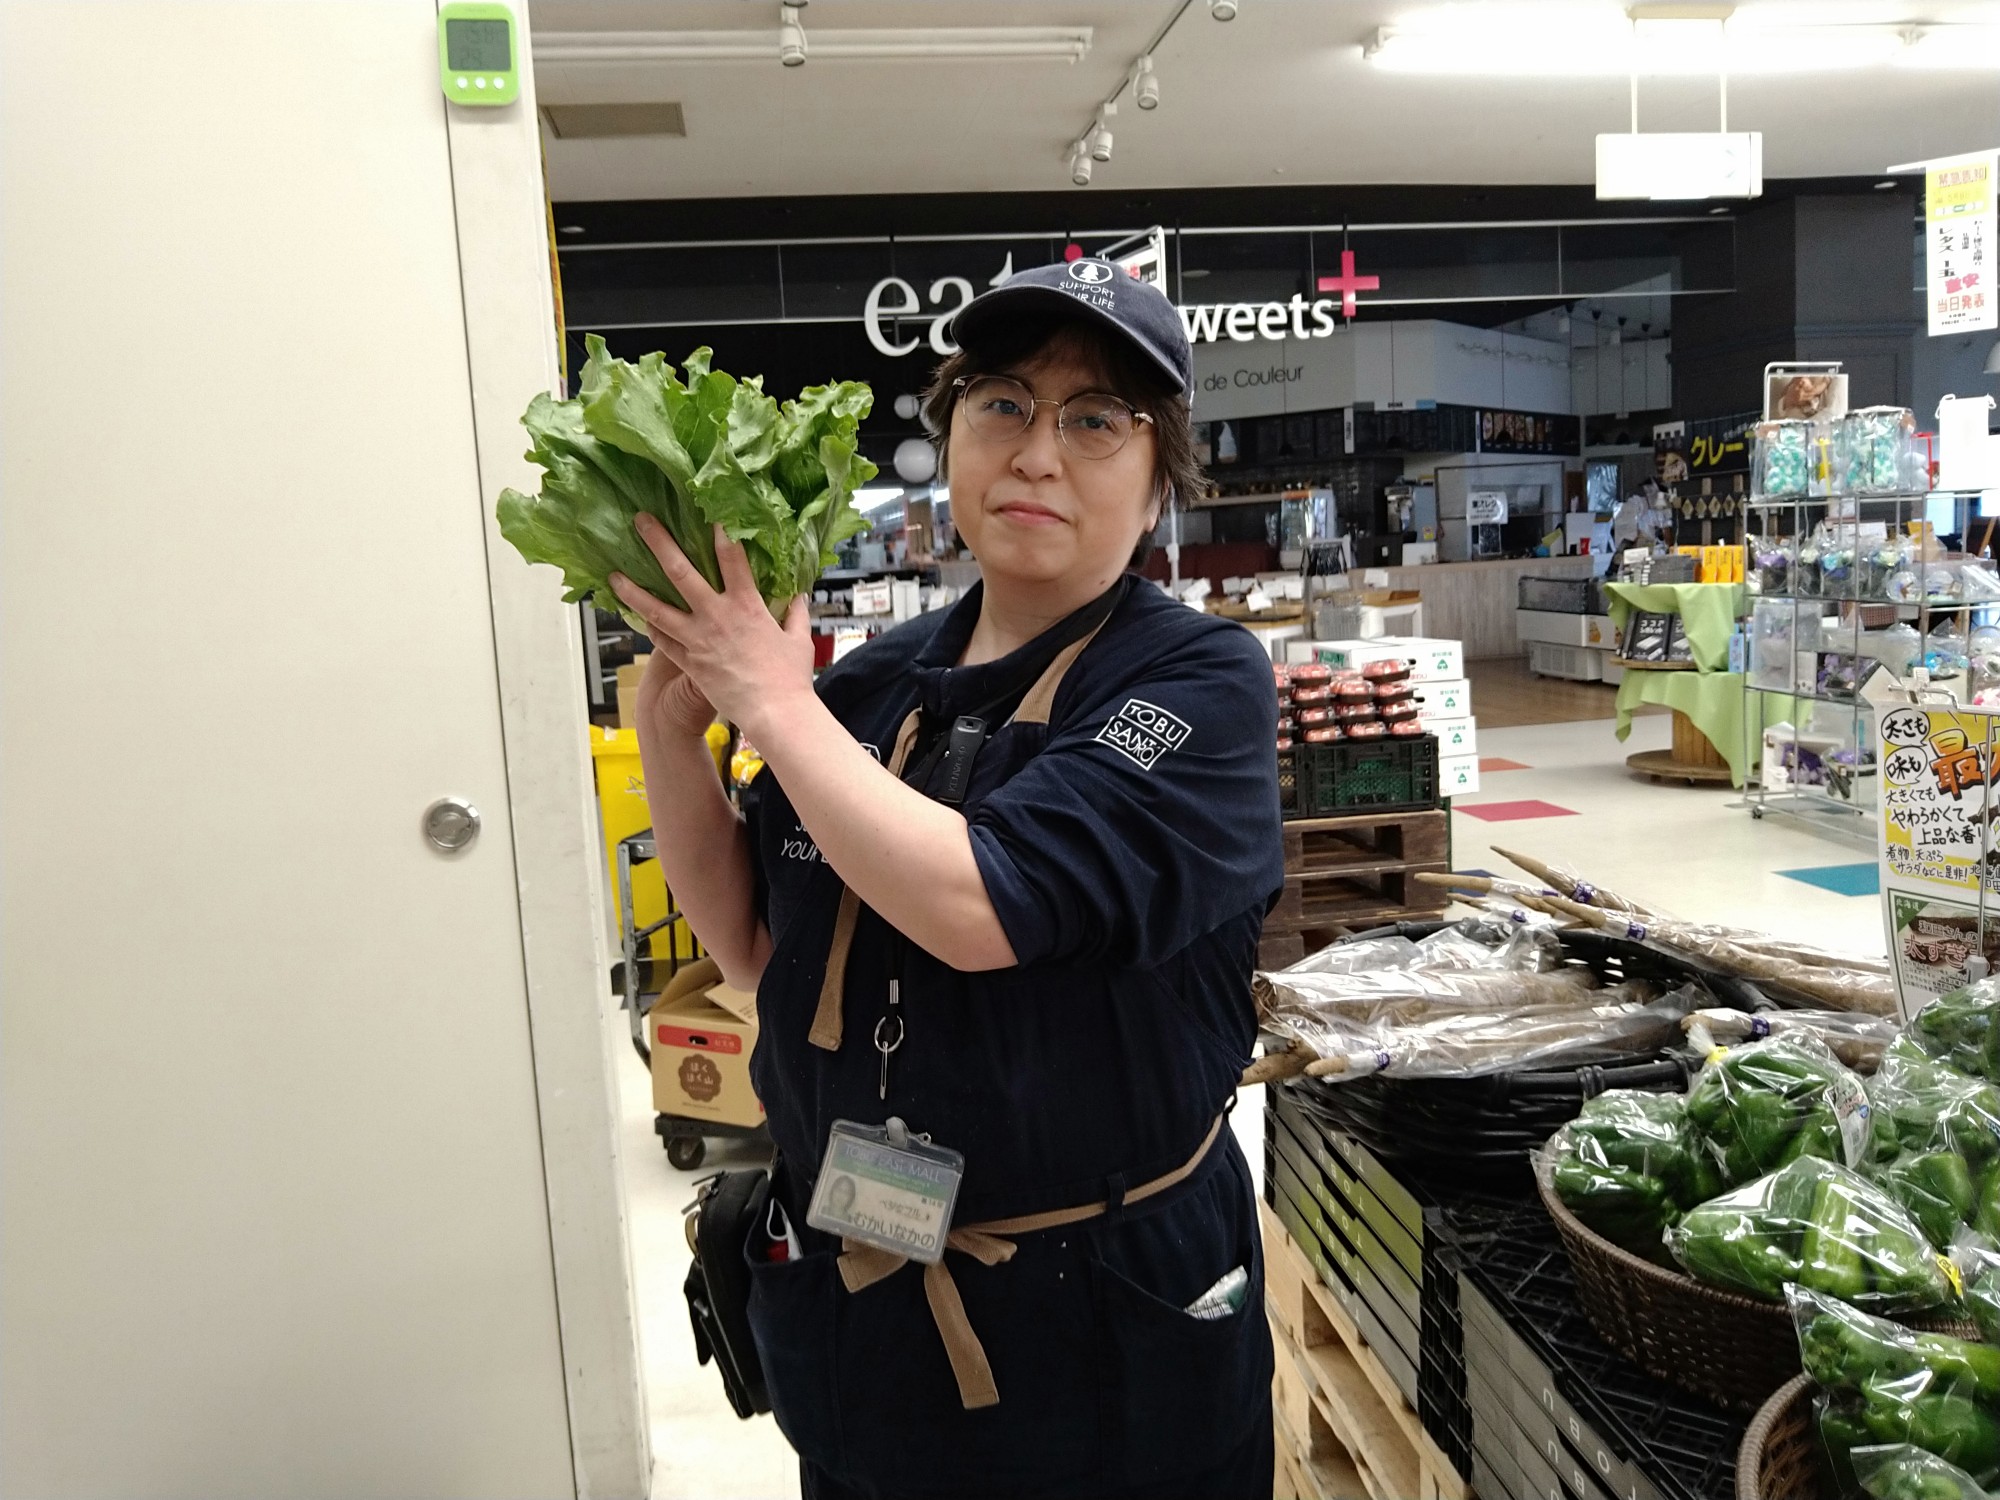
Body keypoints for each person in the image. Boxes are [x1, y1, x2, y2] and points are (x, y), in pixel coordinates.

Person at [611, 258, 1284, 1500]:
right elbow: (753, 945)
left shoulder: (1198, 685)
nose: (1036, 453)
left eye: (1096, 419)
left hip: (1102, 1320)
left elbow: (982, 905)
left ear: (1159, 481)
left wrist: (772, 704)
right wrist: (669, 729)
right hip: (858, 1288)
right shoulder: (871, 681)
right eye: (1001, 403)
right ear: (951, 437)